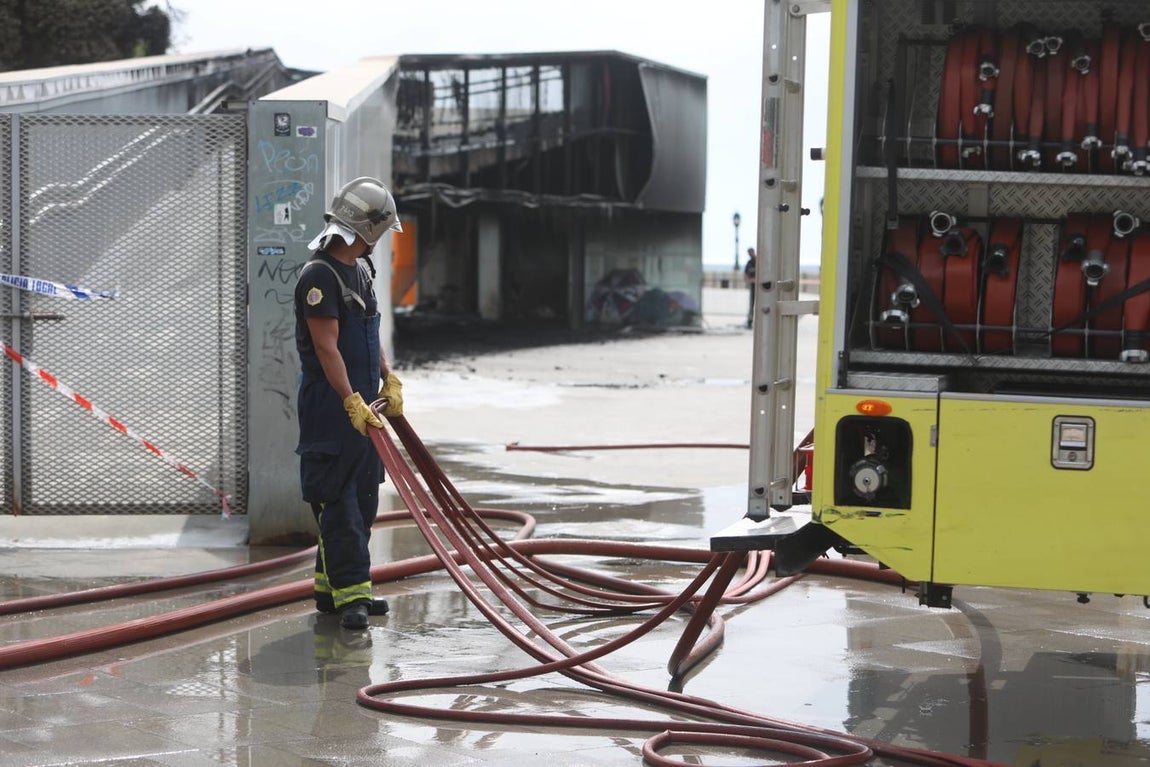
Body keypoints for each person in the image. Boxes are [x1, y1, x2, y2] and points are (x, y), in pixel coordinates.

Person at [294, 176, 405, 630]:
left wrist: (387, 377)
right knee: (337, 503)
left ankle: (330, 590)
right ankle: (354, 596)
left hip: (362, 410)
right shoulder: (319, 277)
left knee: (362, 500)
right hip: (332, 409)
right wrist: (350, 401)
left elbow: (368, 334)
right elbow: (326, 349)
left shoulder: (360, 270)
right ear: (367, 229)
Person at [744, 246, 757, 328]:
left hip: (760, 286)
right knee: (751, 304)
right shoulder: (749, 262)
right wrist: (748, 280)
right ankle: (750, 320)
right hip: (752, 285)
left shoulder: (758, 261)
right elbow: (746, 273)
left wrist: (756, 280)